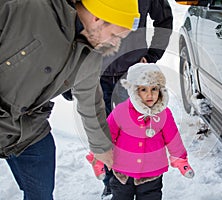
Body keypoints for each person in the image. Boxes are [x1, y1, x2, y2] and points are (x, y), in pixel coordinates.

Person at [0, 0, 140, 199]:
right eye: (115, 36)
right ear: (97, 17)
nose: (115, 45)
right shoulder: (26, 8)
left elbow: (90, 102)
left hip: (29, 130)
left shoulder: (91, 55)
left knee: (41, 195)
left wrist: (104, 150)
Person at [98, 0, 173, 198]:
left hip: (132, 75)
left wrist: (152, 55)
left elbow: (164, 20)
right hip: (97, 74)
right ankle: (112, 184)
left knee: (136, 133)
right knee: (104, 132)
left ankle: (143, 185)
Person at [87, 63, 195, 200]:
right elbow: (106, 136)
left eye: (154, 89)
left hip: (152, 174)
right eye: (143, 89)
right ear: (134, 91)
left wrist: (180, 159)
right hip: (123, 173)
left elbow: (173, 138)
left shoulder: (164, 114)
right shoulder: (121, 111)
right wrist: (98, 157)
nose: (150, 95)